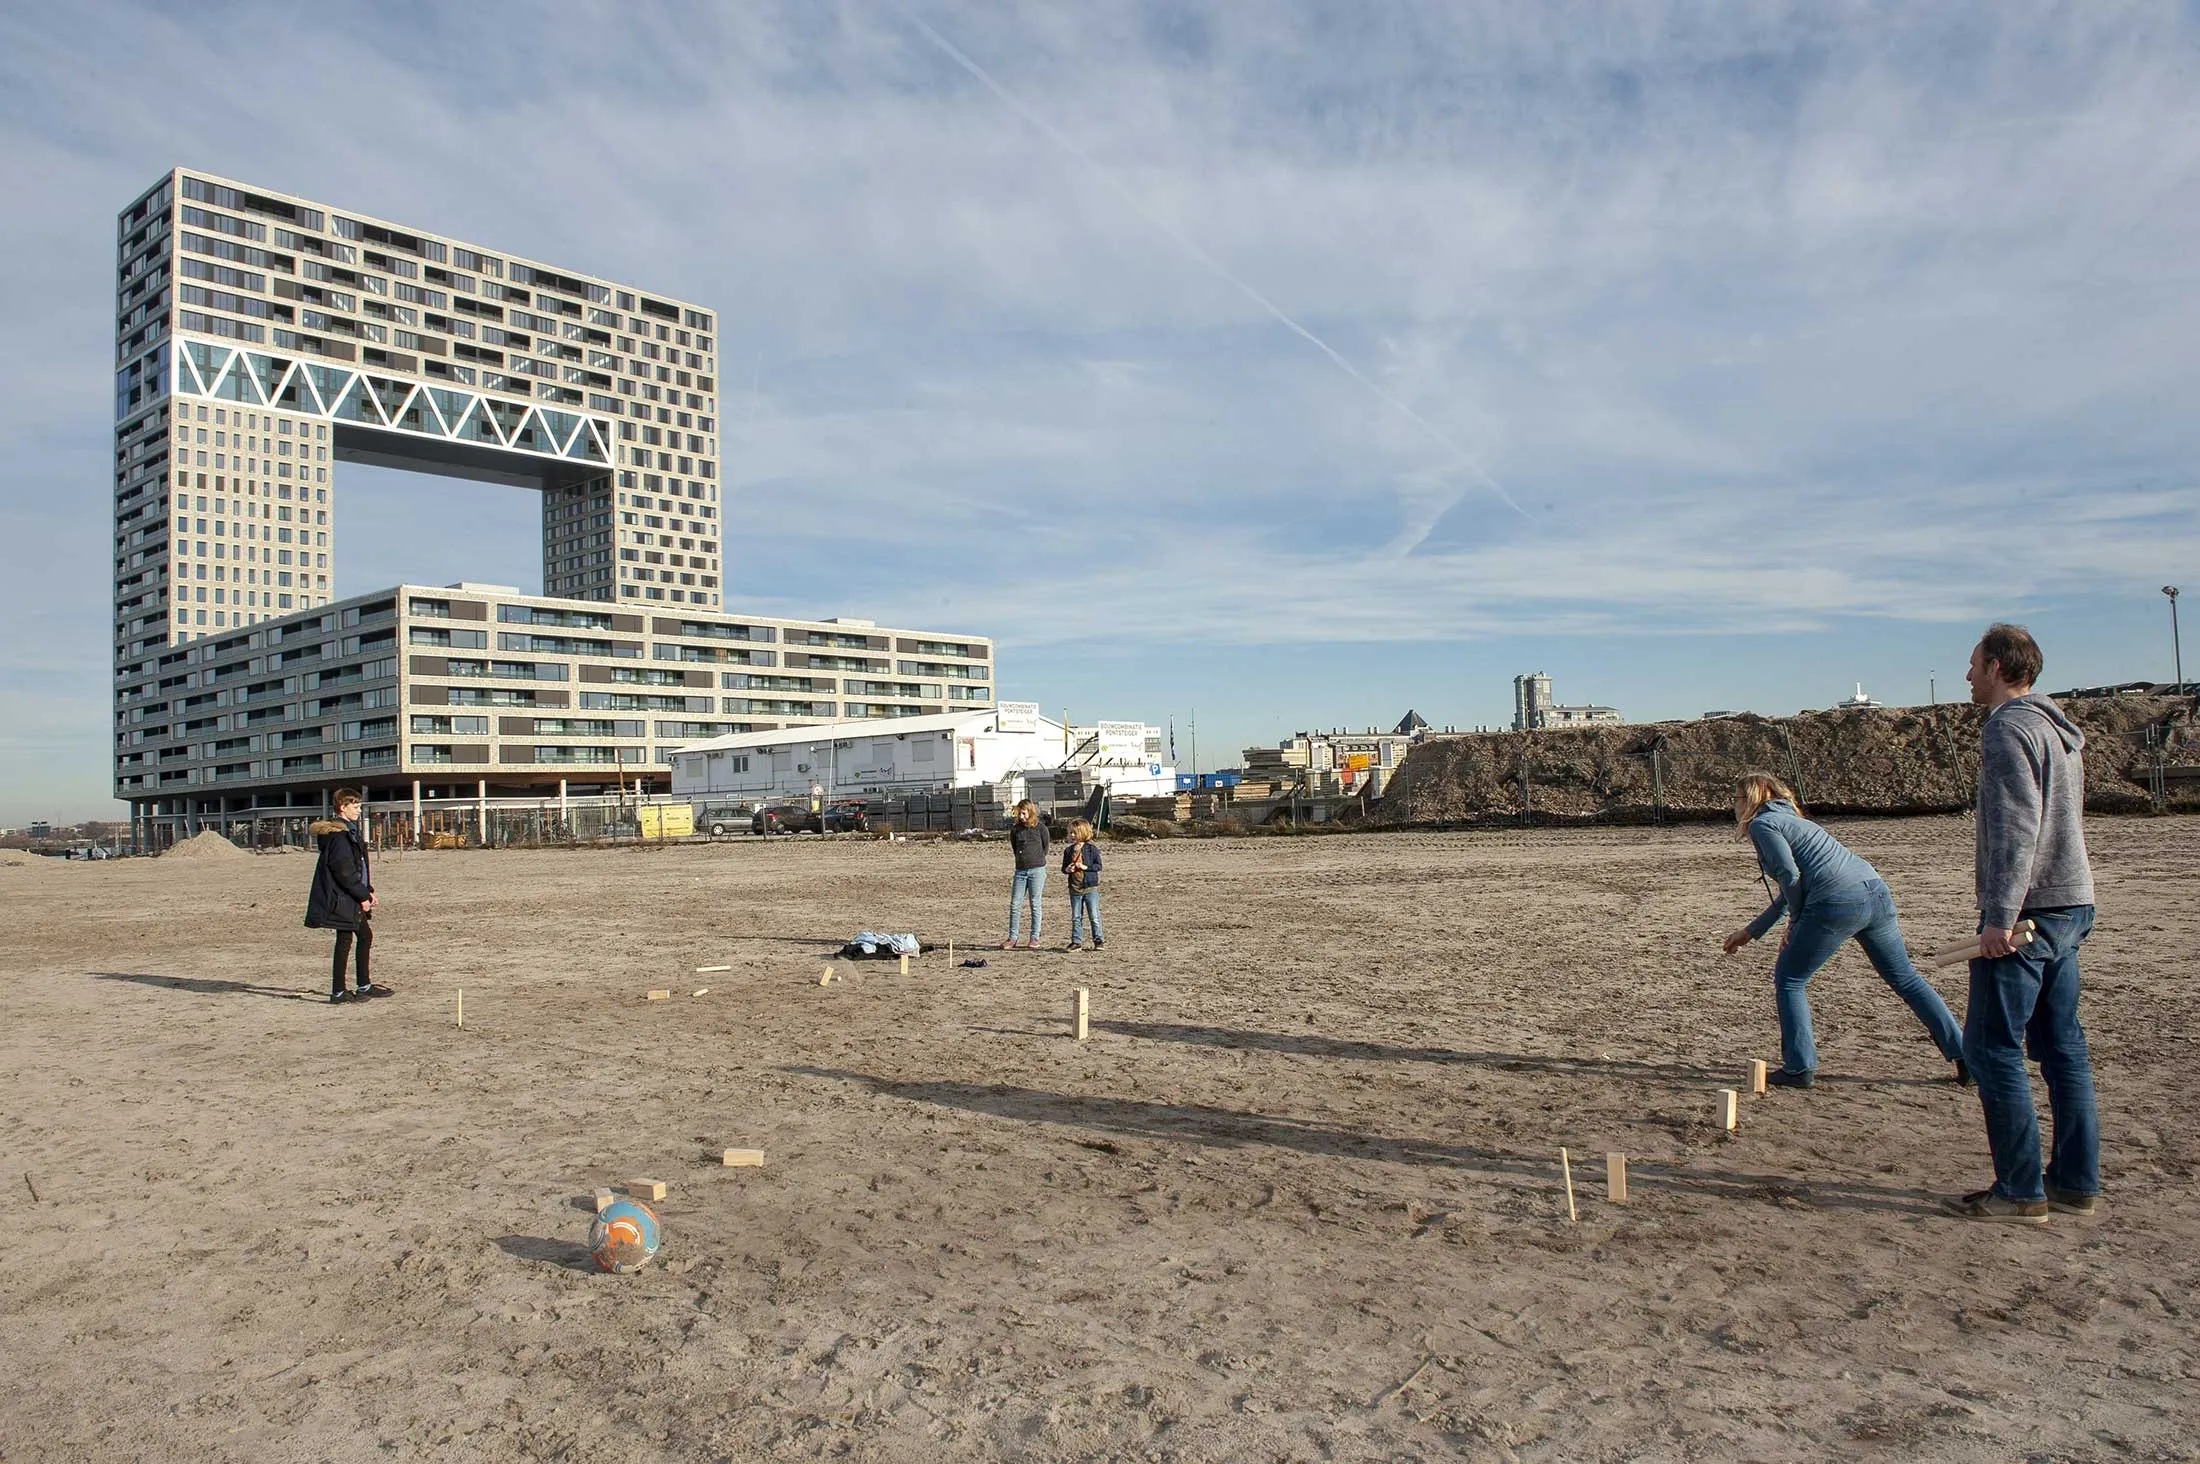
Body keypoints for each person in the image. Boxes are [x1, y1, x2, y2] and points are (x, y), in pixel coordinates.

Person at [1944, 623, 2098, 1224]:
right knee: (2063, 1048)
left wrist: (2000, 918)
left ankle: (2020, 1190)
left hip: (2030, 912)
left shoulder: (2009, 728)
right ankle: (2075, 1183)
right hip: (2070, 901)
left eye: (1974, 664)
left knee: (1989, 1048)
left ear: (2000, 666)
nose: (1967, 675)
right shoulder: (2057, 729)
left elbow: (2016, 829)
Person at [1721, 772, 1965, 1088]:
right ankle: (1964, 1055)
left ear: (1750, 799)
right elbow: (1789, 887)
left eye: (1736, 799)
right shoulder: (1797, 822)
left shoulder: (1762, 825)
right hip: (1875, 891)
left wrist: (1795, 924)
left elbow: (1788, 874)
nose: (1734, 806)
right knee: (1905, 977)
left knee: (1789, 979)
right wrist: (1752, 931)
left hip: (1837, 902)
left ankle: (1799, 1067)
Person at [305, 789, 388, 1004]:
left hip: (351, 894)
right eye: (355, 805)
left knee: (360, 936)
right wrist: (362, 896)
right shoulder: (339, 835)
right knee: (346, 939)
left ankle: (361, 985)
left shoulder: (348, 831)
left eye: (360, 805)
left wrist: (368, 891)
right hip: (343, 896)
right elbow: (344, 870)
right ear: (342, 807)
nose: (359, 810)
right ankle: (340, 992)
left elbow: (358, 866)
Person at [1001, 799, 1049, 950]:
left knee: (1035, 904)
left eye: (1024, 813)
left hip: (1037, 870)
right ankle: (1012, 938)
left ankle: (1034, 937)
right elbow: (1015, 847)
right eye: (1019, 813)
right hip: (1020, 871)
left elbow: (1045, 847)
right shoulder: (1015, 829)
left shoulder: (1041, 828)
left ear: (1030, 812)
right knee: (1015, 904)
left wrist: (1037, 861)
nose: (1021, 816)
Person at [1060, 818, 1104, 951]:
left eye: (1075, 833)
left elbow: (1098, 866)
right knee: (1076, 916)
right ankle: (1076, 941)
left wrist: (1085, 867)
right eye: (1070, 833)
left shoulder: (1091, 849)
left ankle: (1098, 939)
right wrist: (1068, 870)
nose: (1072, 836)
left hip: (1090, 887)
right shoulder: (1068, 851)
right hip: (1074, 888)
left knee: (1094, 915)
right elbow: (1063, 868)